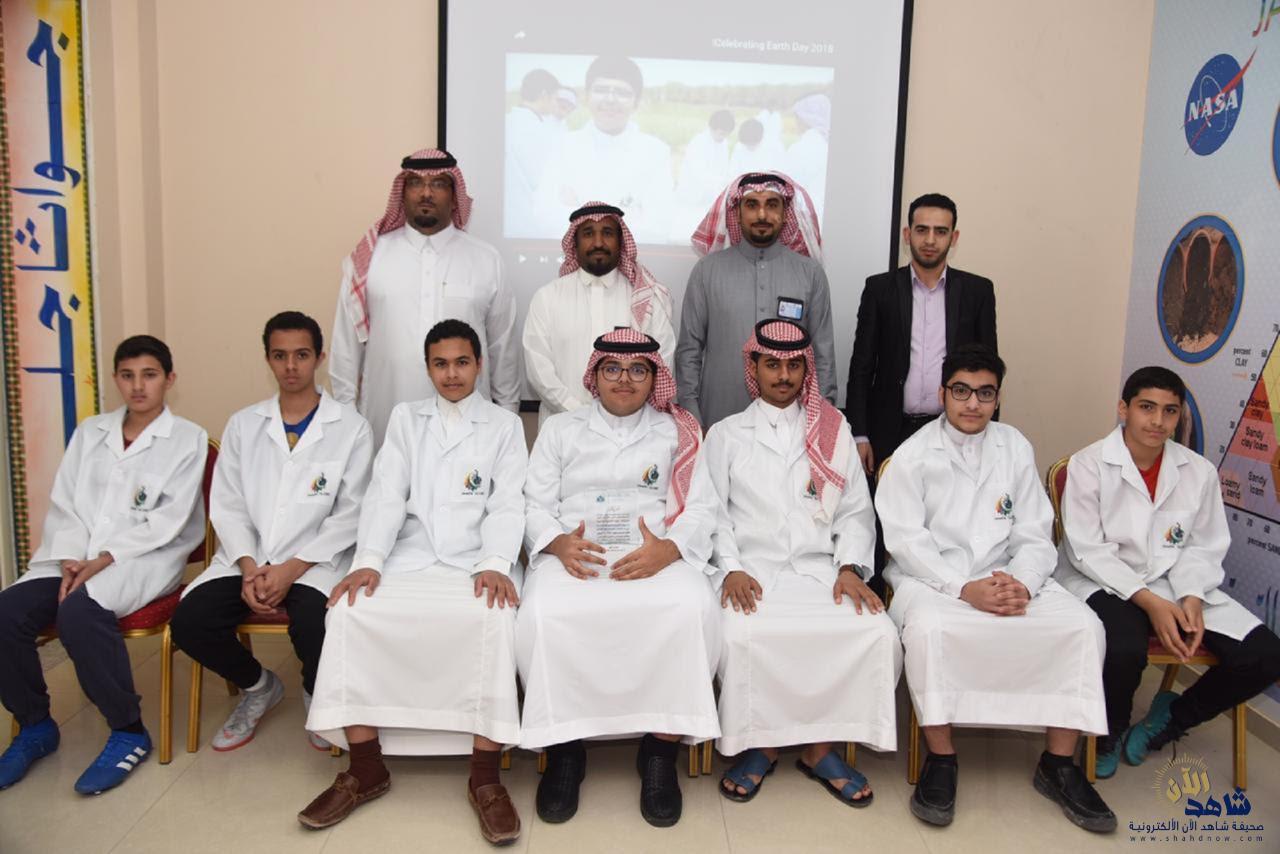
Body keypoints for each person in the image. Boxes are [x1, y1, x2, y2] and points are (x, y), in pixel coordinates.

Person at [297, 320, 527, 844]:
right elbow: (385, 493)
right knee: (350, 611)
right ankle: (366, 767)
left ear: (479, 365)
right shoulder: (406, 418)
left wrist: (495, 560)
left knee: (493, 617)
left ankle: (485, 777)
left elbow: (508, 501)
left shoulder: (504, 425)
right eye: (440, 364)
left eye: (462, 362)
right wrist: (369, 559)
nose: (452, 374)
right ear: (427, 368)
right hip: (410, 554)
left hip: (476, 559)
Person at [876, 344, 1115, 833]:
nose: (972, 403)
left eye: (985, 393)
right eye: (961, 391)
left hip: (1009, 575)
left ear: (998, 397)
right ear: (942, 393)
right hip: (934, 580)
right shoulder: (913, 455)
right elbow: (906, 544)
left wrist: (1022, 583)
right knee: (931, 632)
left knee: (1083, 628)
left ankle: (1058, 764)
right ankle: (941, 759)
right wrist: (964, 588)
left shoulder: (1014, 446)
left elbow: (1036, 533)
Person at [518, 329, 721, 828]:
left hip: (655, 553)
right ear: (595, 375)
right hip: (575, 554)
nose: (624, 379)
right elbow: (532, 502)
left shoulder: (679, 432)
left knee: (691, 606)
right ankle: (565, 751)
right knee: (544, 611)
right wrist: (557, 543)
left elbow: (702, 507)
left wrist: (668, 550)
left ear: (654, 378)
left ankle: (660, 750)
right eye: (612, 368)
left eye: (637, 370)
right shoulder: (560, 429)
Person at [702, 320, 901, 806]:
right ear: (754, 367)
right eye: (772, 364)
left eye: (793, 365)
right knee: (741, 634)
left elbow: (855, 511)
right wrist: (730, 568)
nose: (784, 375)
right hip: (752, 572)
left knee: (876, 633)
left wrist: (850, 568)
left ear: (806, 369)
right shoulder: (726, 435)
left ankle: (820, 749)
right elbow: (712, 514)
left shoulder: (834, 430)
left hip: (821, 571)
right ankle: (762, 745)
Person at [0, 336, 207, 794]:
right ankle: (35, 725)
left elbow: (168, 520)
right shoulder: (90, 431)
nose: (138, 386)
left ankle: (128, 729)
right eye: (128, 376)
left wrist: (105, 559)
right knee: (7, 612)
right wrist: (74, 558)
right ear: (116, 379)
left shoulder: (187, 438)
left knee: (79, 612)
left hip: (144, 558)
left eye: (149, 375)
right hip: (74, 555)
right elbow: (66, 504)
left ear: (169, 379)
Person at [1054, 366, 1280, 777]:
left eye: (1170, 411)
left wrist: (1191, 596)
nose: (1158, 421)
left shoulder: (1198, 471)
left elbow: (1204, 545)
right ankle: (1109, 733)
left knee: (1264, 655)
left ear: (1179, 417)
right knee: (1124, 648)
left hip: (1175, 581)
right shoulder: (1089, 464)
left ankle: (1169, 720)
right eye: (1147, 407)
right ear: (1123, 408)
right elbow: (1087, 550)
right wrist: (1150, 603)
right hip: (1101, 579)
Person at [170, 311, 373, 753]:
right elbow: (228, 504)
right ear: (268, 359)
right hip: (247, 557)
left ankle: (316, 694)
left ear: (319, 357)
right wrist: (249, 567)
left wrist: (289, 570)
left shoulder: (350, 427)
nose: (291, 366)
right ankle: (259, 687)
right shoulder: (244, 425)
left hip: (315, 561)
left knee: (317, 622)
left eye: (301, 355)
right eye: (280, 356)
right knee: (190, 622)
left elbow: (352, 513)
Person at [330, 149, 518, 445]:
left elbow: (503, 350)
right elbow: (346, 347)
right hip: (385, 420)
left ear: (454, 196)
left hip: (470, 428)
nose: (426, 193)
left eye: (438, 184)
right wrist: (345, 420)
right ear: (402, 193)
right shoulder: (371, 258)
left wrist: (508, 423)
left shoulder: (485, 259)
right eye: (416, 183)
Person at [677, 171, 833, 428]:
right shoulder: (707, 271)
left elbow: (823, 356)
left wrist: (822, 422)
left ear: (785, 213)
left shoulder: (811, 274)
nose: (762, 215)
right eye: (752, 205)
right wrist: (692, 416)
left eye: (772, 205)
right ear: (737, 214)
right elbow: (689, 352)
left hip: (792, 427)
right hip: (717, 419)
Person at [523, 201, 675, 425]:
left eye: (607, 233)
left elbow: (663, 362)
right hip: (563, 426)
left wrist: (617, 414)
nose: (598, 242)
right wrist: (578, 412)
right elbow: (539, 369)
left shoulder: (646, 298)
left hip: (630, 428)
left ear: (621, 241)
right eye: (588, 233)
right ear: (574, 243)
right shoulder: (547, 297)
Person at [534, 56, 674, 243]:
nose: (610, 99)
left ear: (636, 102)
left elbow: (658, 228)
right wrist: (628, 216)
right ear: (587, 97)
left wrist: (577, 211)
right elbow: (544, 218)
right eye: (601, 90)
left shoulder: (656, 152)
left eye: (622, 92)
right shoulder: (562, 145)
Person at [504, 69, 560, 237]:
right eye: (555, 97)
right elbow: (541, 179)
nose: (556, 103)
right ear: (544, 95)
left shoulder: (509, 120)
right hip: (527, 220)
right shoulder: (532, 129)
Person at [673, 110, 735, 235]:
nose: (723, 137)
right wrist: (721, 182)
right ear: (712, 128)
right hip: (691, 197)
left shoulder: (723, 143)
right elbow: (700, 175)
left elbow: (723, 170)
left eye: (726, 134)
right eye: (721, 133)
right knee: (687, 233)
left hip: (709, 198)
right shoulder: (698, 143)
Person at [784, 94, 831, 223]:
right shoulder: (828, 145)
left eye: (797, 118)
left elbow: (788, 188)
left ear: (805, 119)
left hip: (804, 217)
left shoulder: (800, 148)